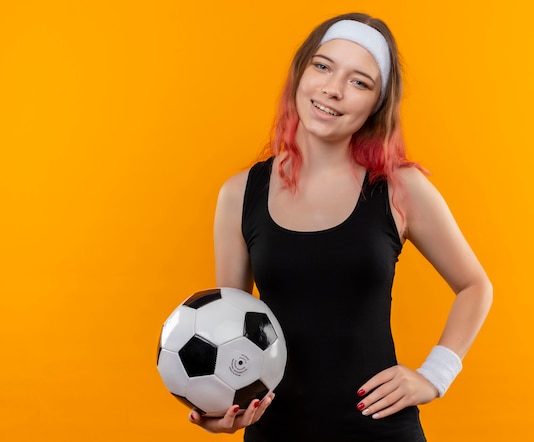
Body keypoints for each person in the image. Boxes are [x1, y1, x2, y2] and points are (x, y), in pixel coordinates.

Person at [188, 12, 492, 441]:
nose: (333, 89)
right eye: (323, 66)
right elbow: (233, 327)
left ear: (376, 104)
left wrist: (435, 374)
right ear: (301, 72)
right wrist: (224, 407)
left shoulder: (400, 188)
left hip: (381, 431)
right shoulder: (239, 194)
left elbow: (475, 286)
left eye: (359, 81)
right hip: (277, 431)